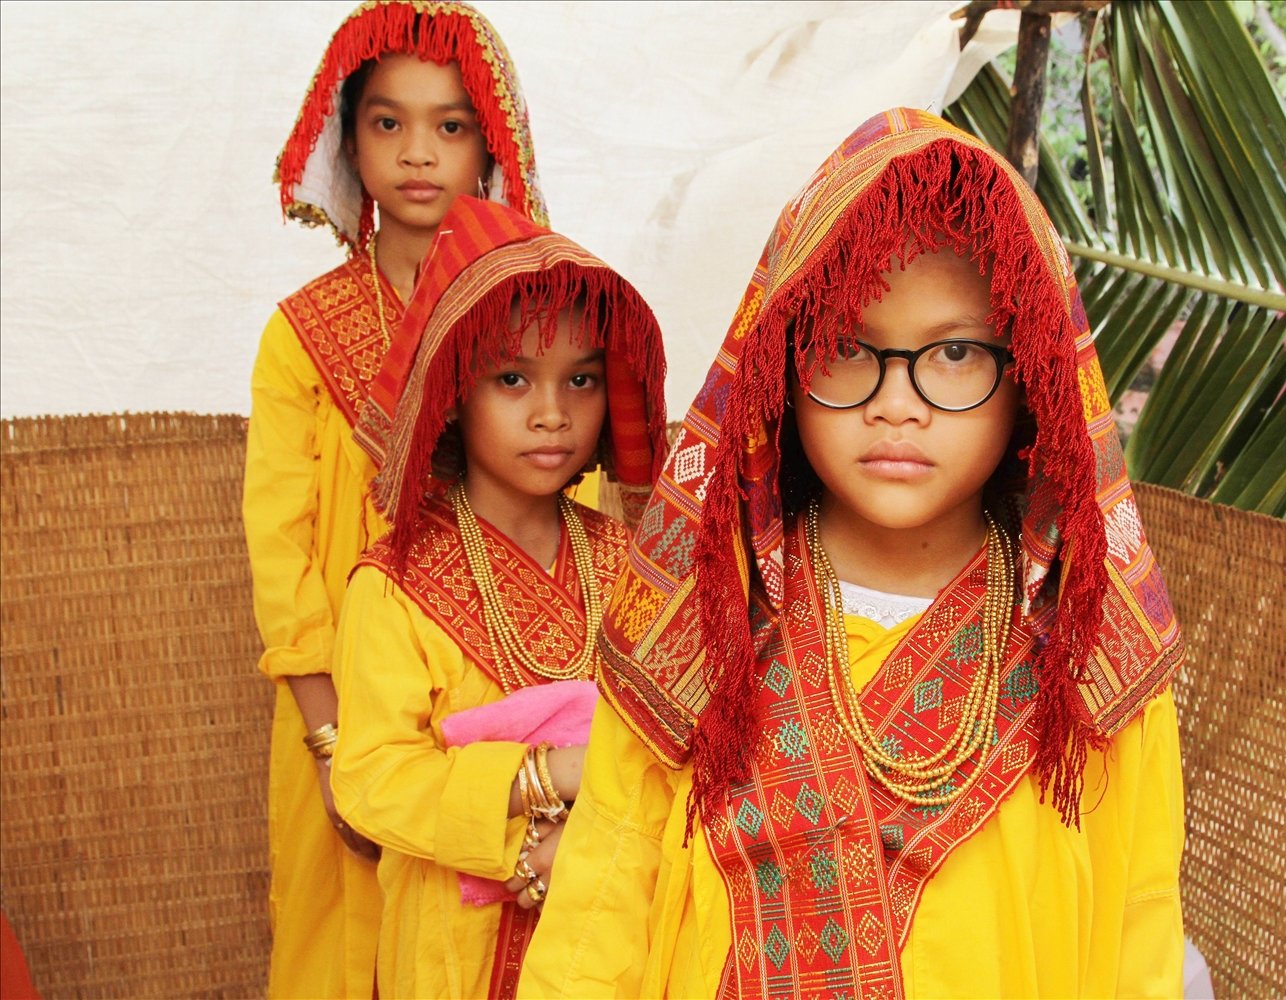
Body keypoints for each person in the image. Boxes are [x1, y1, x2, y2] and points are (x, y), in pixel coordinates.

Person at [521, 108, 1187, 998]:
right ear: (781, 365)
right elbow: (603, 894)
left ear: (1027, 371)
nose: (898, 404)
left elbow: (1136, 922)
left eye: (953, 353)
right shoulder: (704, 616)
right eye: (846, 348)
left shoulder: (1087, 648)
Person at [242, 3, 546, 996]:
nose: (420, 153)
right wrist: (336, 744)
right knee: (345, 953)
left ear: (489, 144)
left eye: (451, 125)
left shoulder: (538, 315)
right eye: (388, 122)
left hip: (509, 699)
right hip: (342, 712)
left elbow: (575, 519)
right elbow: (280, 553)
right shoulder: (303, 334)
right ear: (347, 137)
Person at [329, 194, 668, 999]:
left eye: (580, 380)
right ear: (454, 391)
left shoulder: (629, 562)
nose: (552, 415)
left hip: (615, 930)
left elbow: (673, 748)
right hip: (456, 949)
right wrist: (544, 792)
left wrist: (581, 841)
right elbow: (372, 778)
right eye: (512, 378)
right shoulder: (395, 583)